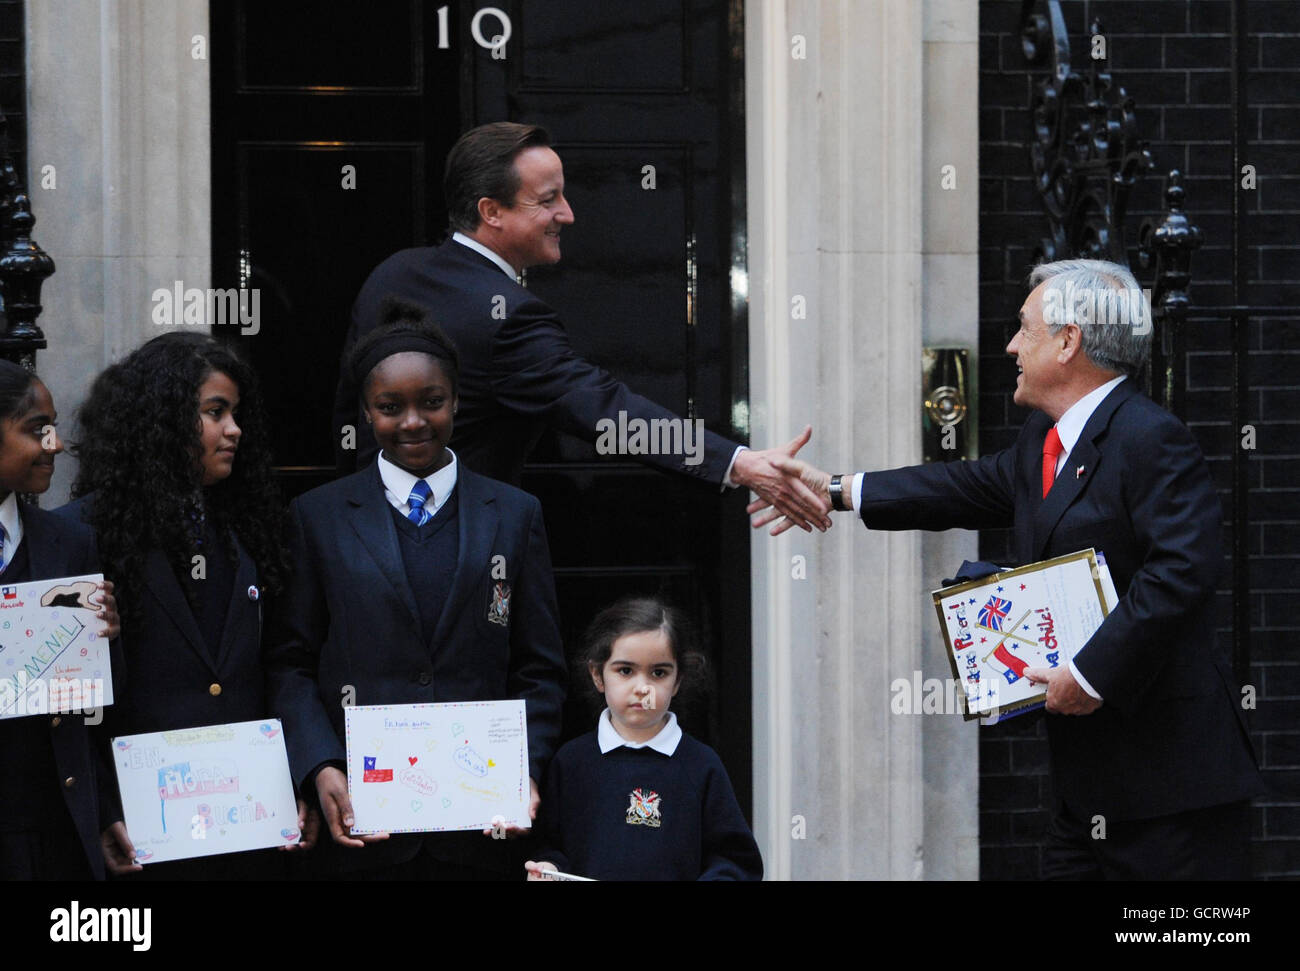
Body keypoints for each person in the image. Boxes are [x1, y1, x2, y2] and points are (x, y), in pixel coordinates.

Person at [756, 259, 1265, 880]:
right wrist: (834, 489)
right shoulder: (1043, 440)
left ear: (1068, 342)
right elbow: (962, 485)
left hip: (1172, 791)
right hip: (1089, 796)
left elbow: (1181, 573)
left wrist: (1090, 672)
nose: (1011, 345)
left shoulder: (1149, 438)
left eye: (1024, 329)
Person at [337, 121, 830, 532]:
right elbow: (606, 413)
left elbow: (347, 417)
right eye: (548, 200)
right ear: (491, 211)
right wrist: (740, 464)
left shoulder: (393, 273)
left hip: (357, 538)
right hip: (453, 553)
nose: (567, 215)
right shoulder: (510, 317)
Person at [270, 300, 567, 879]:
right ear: (366, 411)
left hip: (481, 830)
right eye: (389, 407)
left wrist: (525, 768)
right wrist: (321, 765)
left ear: (456, 401)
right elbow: (289, 662)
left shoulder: (513, 514)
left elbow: (539, 665)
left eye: (431, 402)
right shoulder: (317, 517)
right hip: (365, 828)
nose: (412, 422)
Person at [60, 333, 317, 878]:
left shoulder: (254, 527)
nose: (234, 430)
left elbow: (284, 667)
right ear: (165, 419)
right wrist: (102, 809)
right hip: (142, 836)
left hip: (250, 830)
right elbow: (66, 707)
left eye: (236, 413)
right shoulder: (78, 535)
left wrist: (298, 777)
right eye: (215, 412)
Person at [525, 596, 762, 881]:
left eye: (658, 672)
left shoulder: (701, 765)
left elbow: (735, 861)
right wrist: (549, 869)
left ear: (678, 681)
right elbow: (550, 846)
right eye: (625, 671)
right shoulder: (571, 762)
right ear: (597, 675)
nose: (642, 688)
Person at [0, 360, 126, 880]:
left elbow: (87, 711)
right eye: (36, 429)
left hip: (51, 830)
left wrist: (104, 640)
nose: (54, 445)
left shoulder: (68, 542)